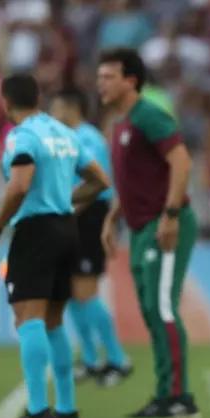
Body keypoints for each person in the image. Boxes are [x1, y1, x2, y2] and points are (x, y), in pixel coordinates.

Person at [0, 74, 112, 418]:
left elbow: (20, 184)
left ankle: (38, 411)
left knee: (28, 318)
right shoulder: (64, 133)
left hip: (36, 231)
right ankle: (67, 409)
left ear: (6, 103)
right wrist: (65, 199)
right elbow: (100, 180)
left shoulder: (21, 136)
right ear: (37, 98)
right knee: (53, 321)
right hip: (67, 229)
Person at [95, 48, 200, 418]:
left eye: (108, 77)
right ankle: (164, 393)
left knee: (163, 307)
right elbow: (134, 181)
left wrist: (170, 216)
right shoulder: (121, 124)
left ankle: (177, 397)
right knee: (152, 311)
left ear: (131, 80)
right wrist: (112, 218)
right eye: (100, 76)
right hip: (141, 227)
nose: (100, 83)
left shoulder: (149, 115)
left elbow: (181, 162)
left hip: (164, 223)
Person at [48, 88, 133, 387]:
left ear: (72, 107)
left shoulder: (89, 139)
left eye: (57, 107)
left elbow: (97, 185)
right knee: (71, 292)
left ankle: (118, 358)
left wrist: (66, 212)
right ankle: (91, 359)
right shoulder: (64, 138)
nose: (53, 113)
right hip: (69, 215)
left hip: (88, 216)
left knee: (86, 291)